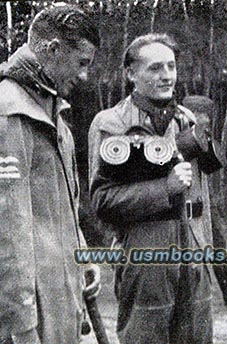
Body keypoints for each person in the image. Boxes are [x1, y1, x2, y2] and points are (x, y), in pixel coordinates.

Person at [89, 33, 213, 343]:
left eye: (171, 66)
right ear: (131, 73)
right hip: (146, 254)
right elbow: (102, 200)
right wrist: (165, 188)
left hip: (194, 251)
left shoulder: (187, 121)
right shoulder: (112, 124)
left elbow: (203, 195)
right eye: (155, 68)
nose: (167, 75)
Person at [0, 4, 101, 344]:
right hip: (31, 317)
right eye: (82, 62)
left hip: (59, 303)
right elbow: (7, 233)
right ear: (54, 49)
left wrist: (83, 257)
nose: (84, 74)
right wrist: (21, 326)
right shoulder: (8, 112)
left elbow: (64, 208)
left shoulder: (51, 110)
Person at [182, 95, 227, 307]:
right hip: (184, 208)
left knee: (218, 248)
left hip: (204, 207)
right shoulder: (177, 134)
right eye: (203, 115)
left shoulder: (201, 136)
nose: (208, 119)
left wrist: (204, 138)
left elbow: (214, 162)